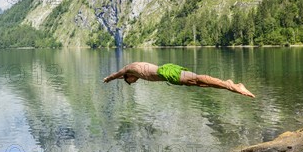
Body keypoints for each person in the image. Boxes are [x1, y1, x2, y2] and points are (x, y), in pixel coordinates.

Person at [103, 62, 255, 98]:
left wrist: (108, 79)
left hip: (167, 72)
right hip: (169, 74)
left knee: (197, 78)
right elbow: (120, 76)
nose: (134, 82)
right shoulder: (135, 70)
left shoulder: (129, 68)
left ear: (128, 76)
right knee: (199, 84)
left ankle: (231, 86)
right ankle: (229, 85)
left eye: (130, 81)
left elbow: (117, 74)